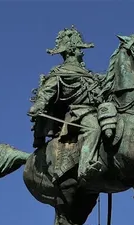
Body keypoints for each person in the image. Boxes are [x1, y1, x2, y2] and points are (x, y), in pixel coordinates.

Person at [28, 26, 106, 185]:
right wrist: (39, 104)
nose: (82, 52)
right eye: (79, 49)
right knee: (94, 128)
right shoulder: (61, 73)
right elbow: (47, 90)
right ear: (71, 51)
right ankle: (85, 167)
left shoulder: (90, 75)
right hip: (78, 114)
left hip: (97, 111)